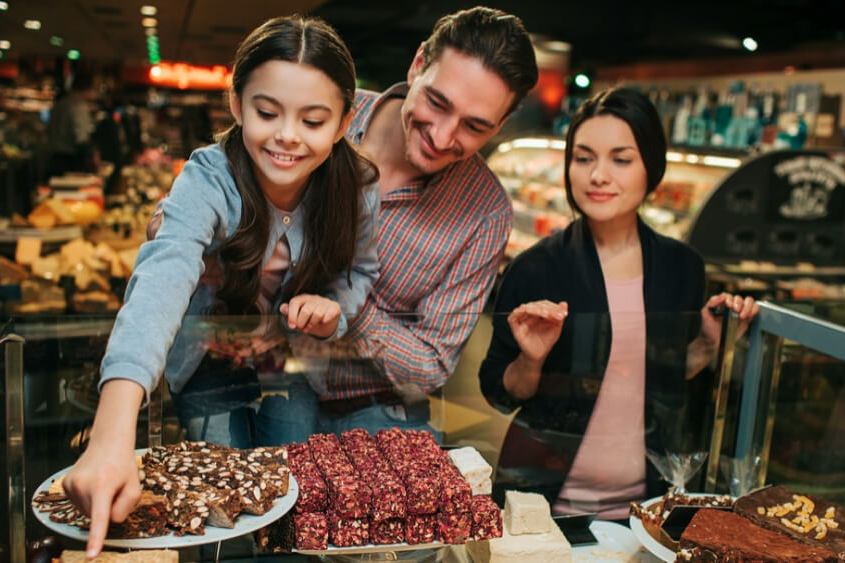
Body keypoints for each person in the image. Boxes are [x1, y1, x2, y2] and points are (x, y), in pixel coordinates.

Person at [62, 16, 380, 558]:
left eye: (313, 120)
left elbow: (362, 273)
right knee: (219, 514)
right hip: (206, 360)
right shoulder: (208, 178)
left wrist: (334, 308)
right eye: (266, 113)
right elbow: (161, 277)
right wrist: (113, 429)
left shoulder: (359, 187)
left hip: (289, 363)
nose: (287, 135)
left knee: (290, 504)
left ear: (344, 122)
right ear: (236, 104)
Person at [478, 87, 760, 520]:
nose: (598, 175)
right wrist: (531, 362)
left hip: (648, 509)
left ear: (652, 167)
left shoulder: (681, 267)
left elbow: (660, 380)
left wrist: (708, 345)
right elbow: (499, 393)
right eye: (584, 158)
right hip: (542, 504)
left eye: (621, 160)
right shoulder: (535, 268)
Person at [263, 6, 539, 439]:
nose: (443, 137)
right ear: (418, 65)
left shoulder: (487, 213)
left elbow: (432, 365)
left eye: (474, 126)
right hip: (267, 378)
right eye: (437, 103)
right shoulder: (322, 114)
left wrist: (346, 306)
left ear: (500, 125)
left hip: (377, 407)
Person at [46, 71, 95, 178]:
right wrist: (92, 158)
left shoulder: (60, 104)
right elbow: (81, 140)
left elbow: (48, 130)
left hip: (53, 160)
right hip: (70, 162)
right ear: (88, 89)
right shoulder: (79, 106)